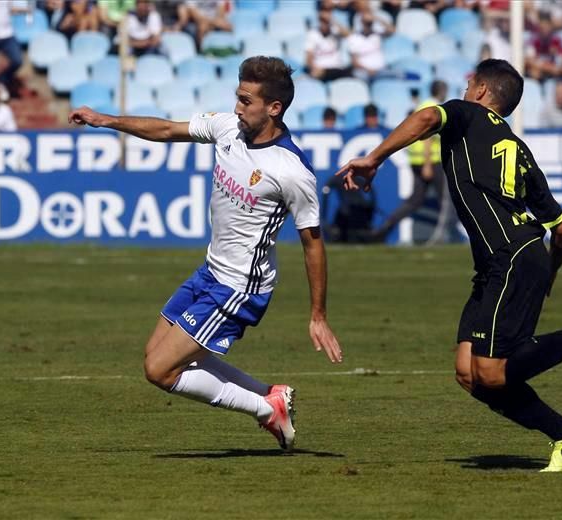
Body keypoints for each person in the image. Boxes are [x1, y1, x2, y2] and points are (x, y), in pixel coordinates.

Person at [335, 59, 562, 472]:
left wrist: (374, 158)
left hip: (510, 256)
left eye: (470, 83)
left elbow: (428, 115)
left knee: (493, 374)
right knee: (469, 374)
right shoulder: (519, 150)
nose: (464, 88)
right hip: (507, 261)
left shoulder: (465, 115)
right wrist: (548, 273)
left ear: (482, 92)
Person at [68, 56, 343, 451]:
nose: (237, 107)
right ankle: (271, 396)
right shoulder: (228, 128)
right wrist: (106, 120)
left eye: (247, 101)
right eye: (238, 97)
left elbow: (313, 243)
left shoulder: (291, 171)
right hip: (211, 270)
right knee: (156, 354)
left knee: (160, 370)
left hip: (240, 287)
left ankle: (266, 410)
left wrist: (318, 315)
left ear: (274, 108)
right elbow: (165, 129)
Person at [370, 80, 447, 242]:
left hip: (416, 159)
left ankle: (385, 227)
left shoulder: (422, 105)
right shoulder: (434, 108)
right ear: (441, 91)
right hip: (430, 161)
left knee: (415, 201)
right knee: (446, 201)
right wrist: (427, 164)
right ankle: (450, 236)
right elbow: (428, 138)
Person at [305, 8, 352, 81]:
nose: (324, 23)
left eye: (326, 21)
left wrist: (333, 20)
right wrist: (314, 68)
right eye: (322, 21)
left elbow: (349, 35)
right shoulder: (313, 34)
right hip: (321, 69)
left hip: (337, 68)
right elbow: (309, 58)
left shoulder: (335, 31)